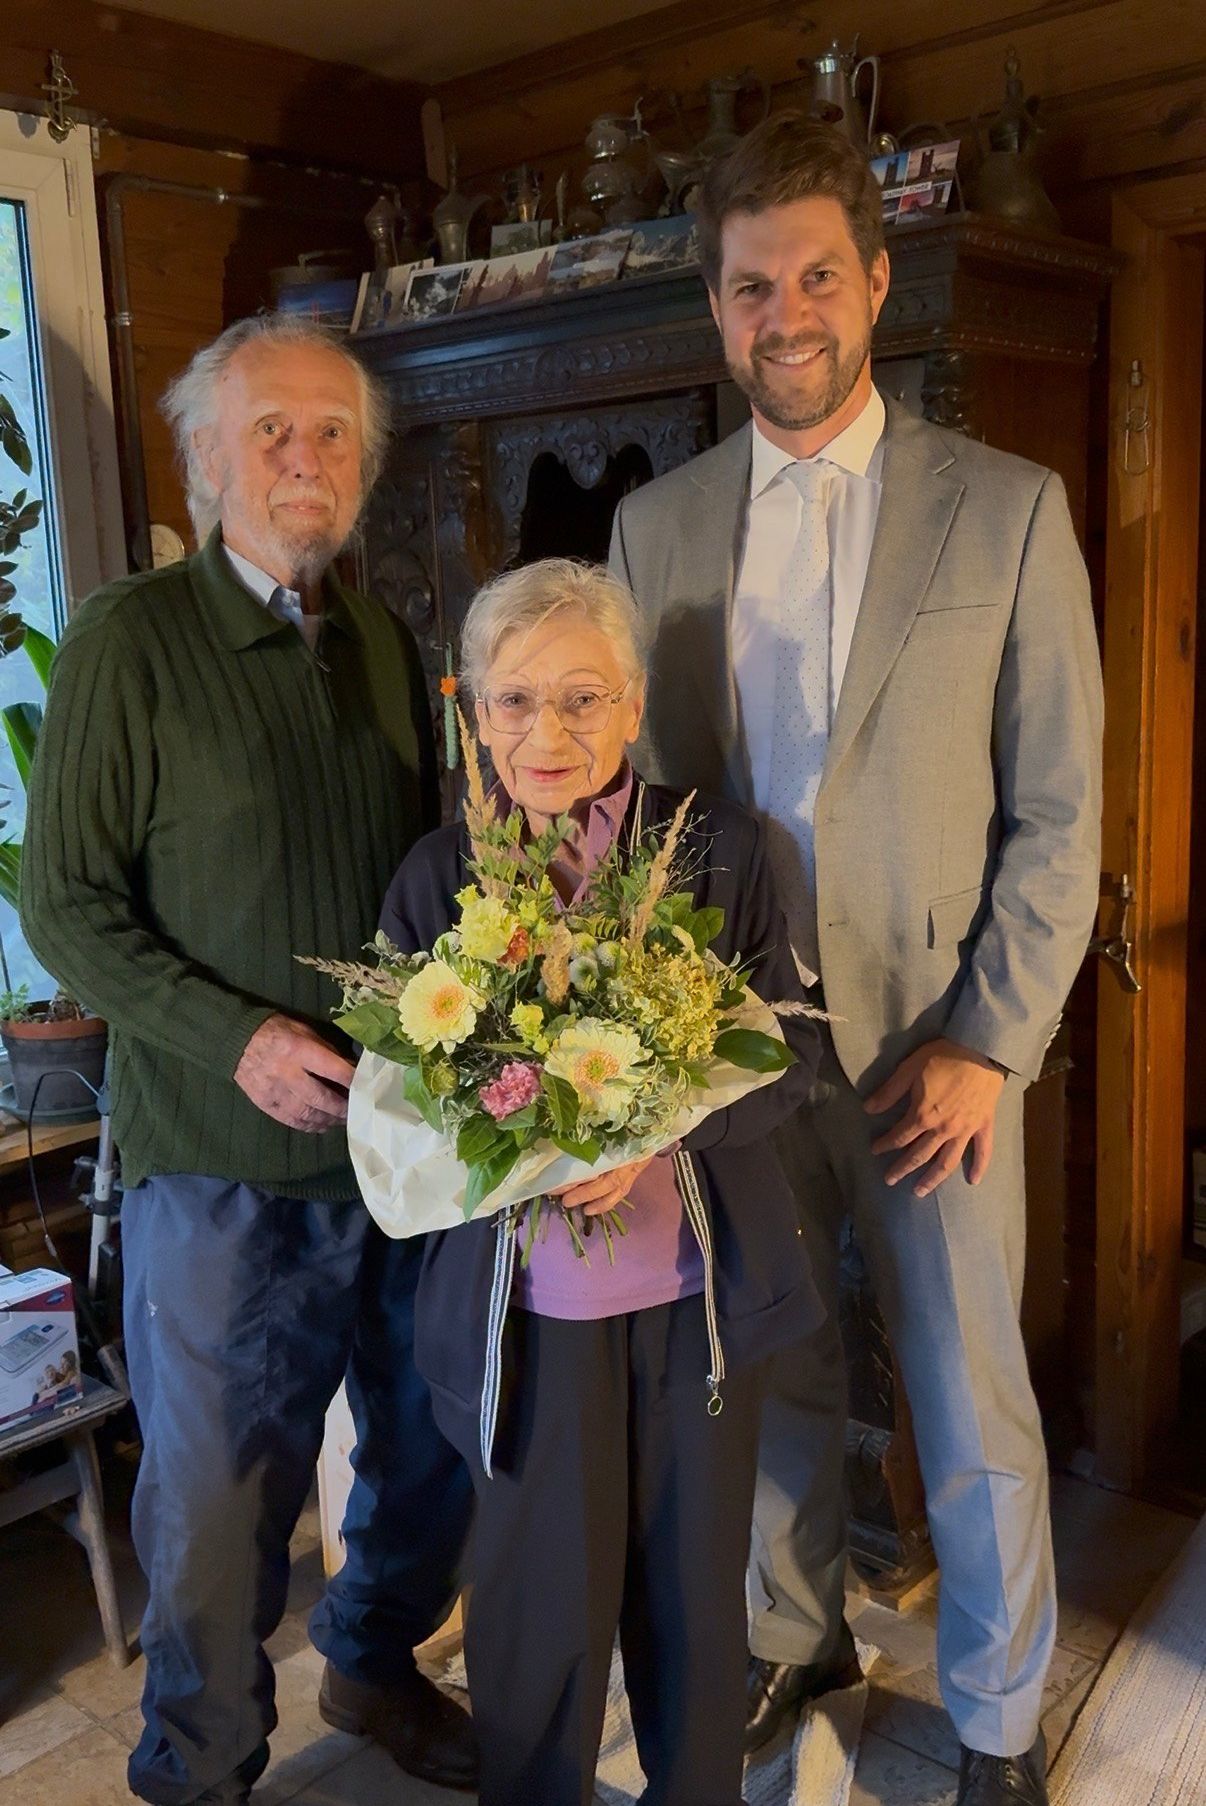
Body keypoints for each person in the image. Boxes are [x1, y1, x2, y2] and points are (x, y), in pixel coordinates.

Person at [609, 116, 1104, 1806]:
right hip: (731, 1052)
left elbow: (1057, 814)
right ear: (717, 313)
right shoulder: (653, 532)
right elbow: (629, 805)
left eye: (818, 272)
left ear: (877, 281)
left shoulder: (1012, 512)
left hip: (934, 1047)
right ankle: (793, 1636)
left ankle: (992, 1726)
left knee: (969, 1401)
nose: (787, 311)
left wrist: (995, 1041)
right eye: (753, 286)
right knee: (775, 1371)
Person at [21, 315, 476, 1805]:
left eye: (332, 433)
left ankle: (372, 1655)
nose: (303, 457)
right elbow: (62, 908)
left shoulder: (382, 643)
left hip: (397, 1151)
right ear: (207, 457)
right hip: (217, 1173)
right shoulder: (125, 641)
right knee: (220, 1511)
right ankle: (198, 1770)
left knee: (424, 1449)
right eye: (269, 430)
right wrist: (238, 1039)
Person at [378, 557, 823, 1806]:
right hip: (523, 1328)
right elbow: (411, 1104)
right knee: (535, 1628)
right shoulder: (437, 876)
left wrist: (654, 1134)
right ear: (473, 716)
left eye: (583, 699)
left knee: (693, 1611)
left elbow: (795, 1058)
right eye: (515, 702)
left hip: (696, 1306)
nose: (549, 733)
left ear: (633, 708)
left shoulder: (720, 851)